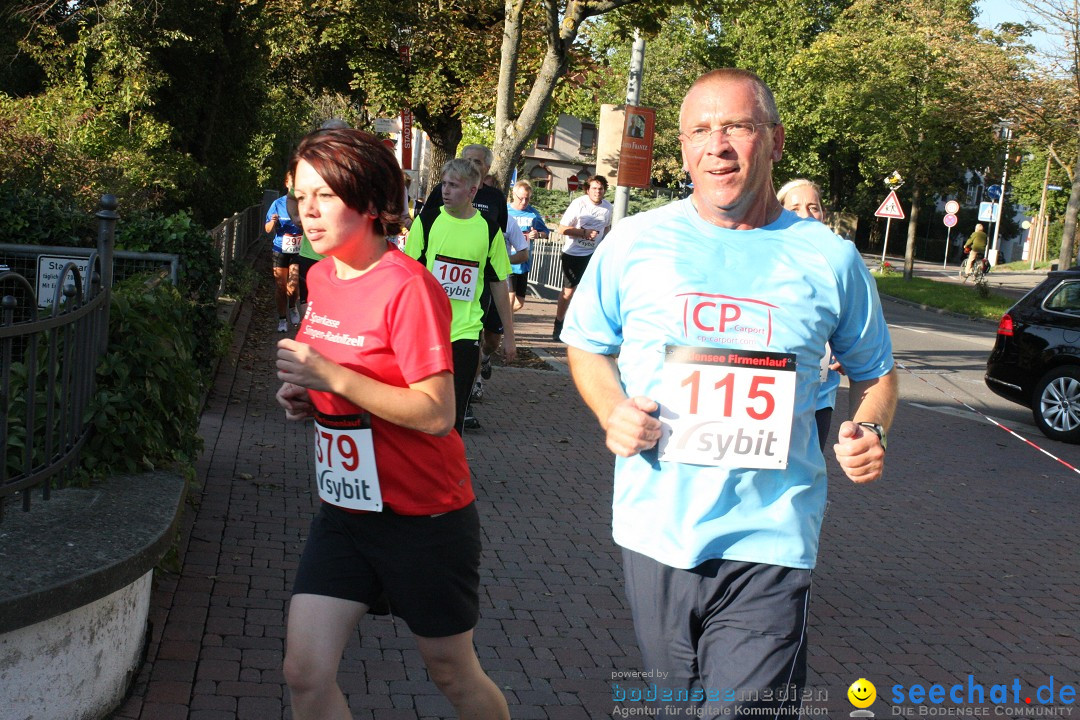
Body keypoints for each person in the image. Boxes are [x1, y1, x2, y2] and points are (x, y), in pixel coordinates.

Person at [562, 69, 898, 715]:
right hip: (656, 530)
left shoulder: (829, 259)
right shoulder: (635, 243)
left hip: (771, 538)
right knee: (676, 704)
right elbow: (586, 340)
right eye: (700, 131)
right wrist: (611, 409)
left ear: (772, 141)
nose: (717, 145)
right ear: (684, 150)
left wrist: (871, 428)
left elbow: (877, 372)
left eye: (736, 127)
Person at [274, 128, 509, 720]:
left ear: (371, 201)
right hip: (347, 510)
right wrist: (310, 399)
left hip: (424, 516)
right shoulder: (322, 276)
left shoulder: (409, 287)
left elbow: (436, 413)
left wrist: (334, 379)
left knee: (453, 673)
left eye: (325, 195)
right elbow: (338, 379)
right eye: (301, 196)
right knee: (304, 672)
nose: (308, 210)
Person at [405, 157, 516, 433]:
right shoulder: (427, 222)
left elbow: (498, 283)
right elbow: (407, 276)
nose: (445, 190)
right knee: (420, 409)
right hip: (426, 330)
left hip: (465, 333)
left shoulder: (489, 230)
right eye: (444, 184)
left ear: (472, 191)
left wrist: (509, 336)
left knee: (453, 417)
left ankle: (446, 471)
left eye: (453, 185)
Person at [777, 178, 843, 451]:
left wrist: (844, 352)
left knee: (806, 473)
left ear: (823, 214)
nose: (805, 214)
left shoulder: (840, 262)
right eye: (795, 208)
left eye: (813, 207)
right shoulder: (764, 258)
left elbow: (860, 340)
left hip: (819, 395)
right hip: (770, 393)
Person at [553, 175, 612, 341]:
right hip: (573, 253)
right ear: (587, 190)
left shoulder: (607, 207)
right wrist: (583, 233)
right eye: (594, 188)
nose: (597, 192)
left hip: (594, 254)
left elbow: (606, 228)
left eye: (600, 189)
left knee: (593, 292)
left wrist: (605, 246)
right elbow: (562, 229)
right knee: (568, 292)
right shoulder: (579, 204)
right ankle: (559, 323)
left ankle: (583, 327)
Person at [265, 173, 304, 332]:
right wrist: (273, 222)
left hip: (298, 249)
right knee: (281, 287)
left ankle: (293, 306)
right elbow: (267, 230)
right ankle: (282, 319)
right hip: (280, 249)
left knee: (293, 286)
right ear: (287, 184)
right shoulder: (277, 204)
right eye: (292, 183)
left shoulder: (304, 203)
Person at [506, 179, 550, 311]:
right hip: (508, 261)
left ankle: (499, 321)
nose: (524, 202)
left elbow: (546, 233)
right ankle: (503, 328)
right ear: (514, 194)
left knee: (519, 303)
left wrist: (538, 235)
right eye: (521, 198)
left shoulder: (533, 214)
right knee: (510, 299)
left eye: (527, 199)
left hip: (523, 263)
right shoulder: (505, 210)